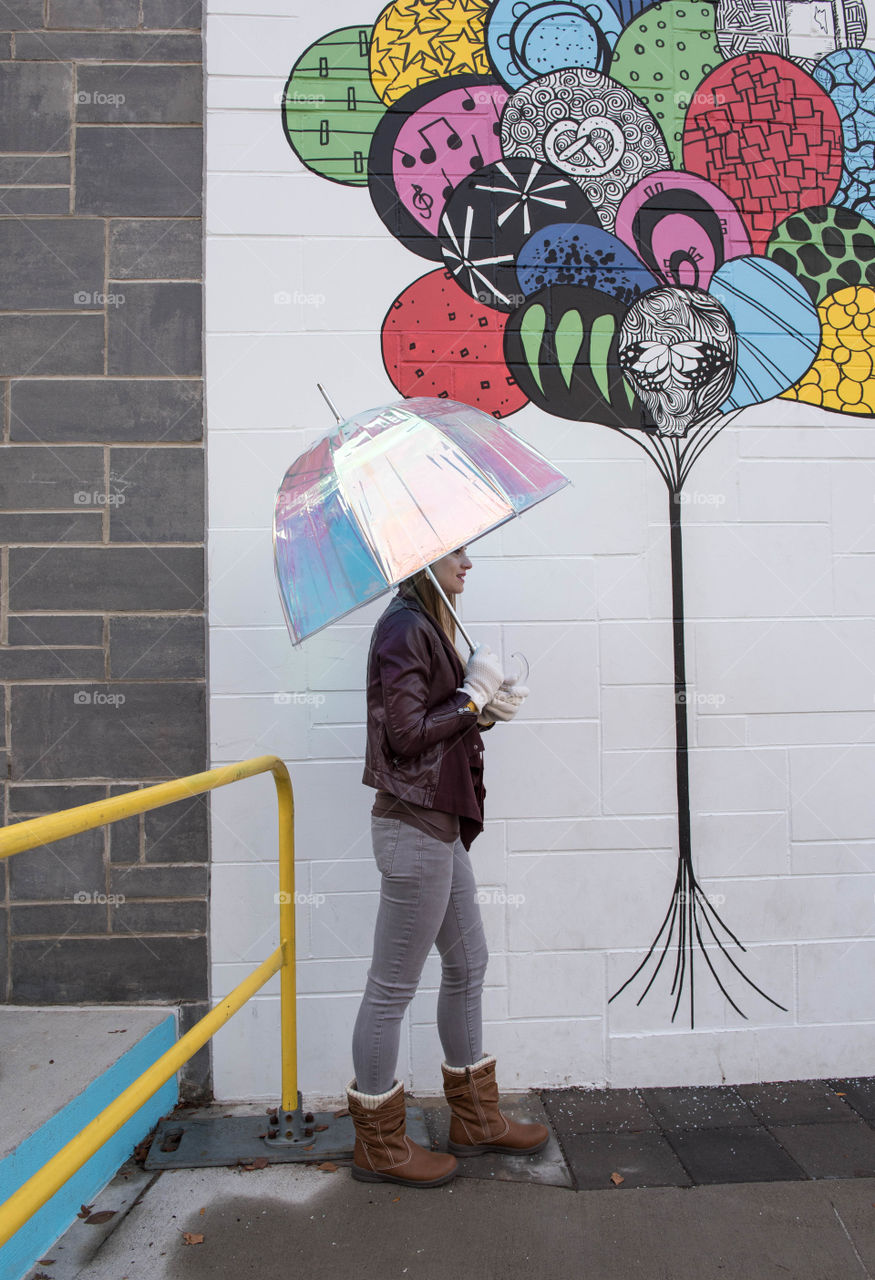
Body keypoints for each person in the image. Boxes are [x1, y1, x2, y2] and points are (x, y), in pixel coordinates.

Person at [345, 545, 549, 1187]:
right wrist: (471, 696)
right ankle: (379, 1146)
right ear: (424, 558)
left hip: (437, 825)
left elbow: (433, 722)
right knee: (391, 988)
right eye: (457, 551)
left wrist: (483, 710)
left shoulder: (430, 623)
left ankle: (476, 1120)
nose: (469, 562)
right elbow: (404, 737)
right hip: (413, 828)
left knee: (468, 963)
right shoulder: (404, 627)